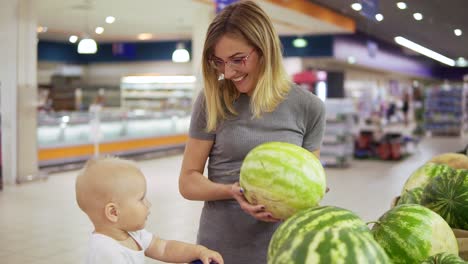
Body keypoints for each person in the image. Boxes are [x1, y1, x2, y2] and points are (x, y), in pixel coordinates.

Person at [178, 1, 326, 263]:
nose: (228, 72)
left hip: (284, 250)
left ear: (265, 50)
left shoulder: (309, 107)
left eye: (238, 60)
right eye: (219, 62)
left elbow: (308, 180)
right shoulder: (212, 100)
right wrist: (232, 191)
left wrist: (313, 192)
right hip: (220, 249)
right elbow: (188, 181)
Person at [75, 157, 223, 264]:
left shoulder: (132, 234)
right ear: (114, 213)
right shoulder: (105, 251)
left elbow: (164, 248)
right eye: (141, 199)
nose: (149, 204)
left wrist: (198, 251)